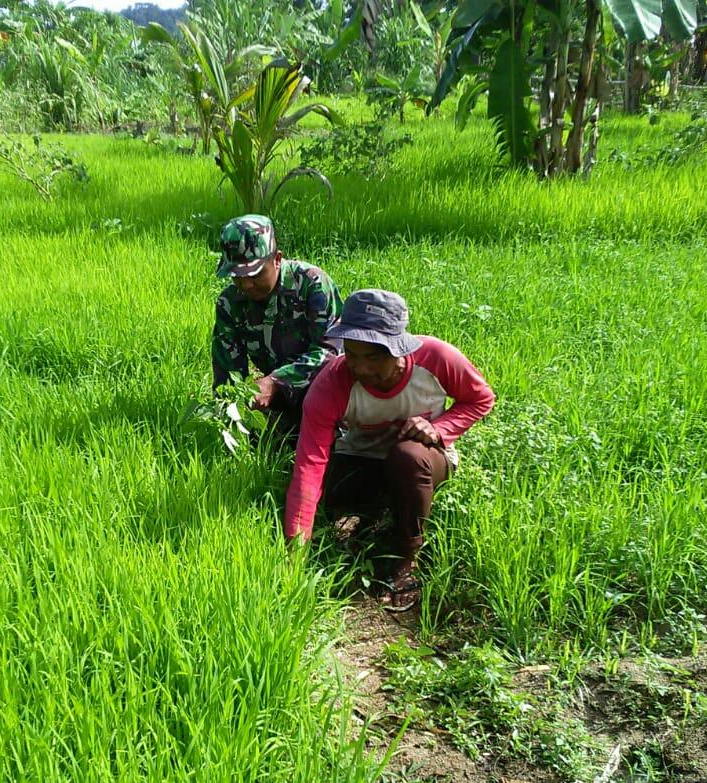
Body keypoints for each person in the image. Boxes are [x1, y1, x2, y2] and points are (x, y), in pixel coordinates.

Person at [284, 289, 495, 611]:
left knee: (408, 458)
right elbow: (309, 465)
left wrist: (439, 429)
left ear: (399, 347)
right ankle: (371, 514)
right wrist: (295, 553)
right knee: (326, 489)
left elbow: (480, 398)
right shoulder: (332, 382)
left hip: (421, 458)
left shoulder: (437, 358)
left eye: (374, 357)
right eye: (352, 354)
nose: (361, 368)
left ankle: (405, 558)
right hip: (361, 457)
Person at [210, 215, 343, 434]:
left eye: (255, 274)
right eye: (237, 276)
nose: (246, 285)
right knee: (257, 432)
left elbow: (330, 352)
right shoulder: (230, 303)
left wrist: (275, 382)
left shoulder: (312, 285)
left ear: (277, 259)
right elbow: (227, 371)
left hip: (327, 392)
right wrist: (232, 408)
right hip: (277, 399)